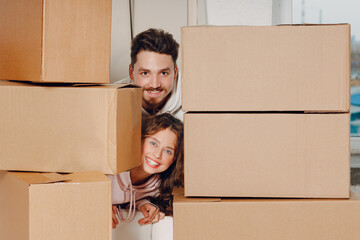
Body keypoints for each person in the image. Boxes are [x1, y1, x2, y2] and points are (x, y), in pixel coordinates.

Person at [108, 113, 184, 228]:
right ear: (140, 140)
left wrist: (143, 204)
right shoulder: (112, 170)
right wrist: (99, 202)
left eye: (168, 151)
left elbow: (134, 194)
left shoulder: (157, 186)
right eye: (153, 144)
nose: (157, 155)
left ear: (173, 160)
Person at [115, 28, 184, 121]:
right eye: (145, 73)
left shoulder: (193, 98)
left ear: (175, 73)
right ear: (131, 73)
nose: (154, 84)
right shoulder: (113, 99)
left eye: (164, 73)